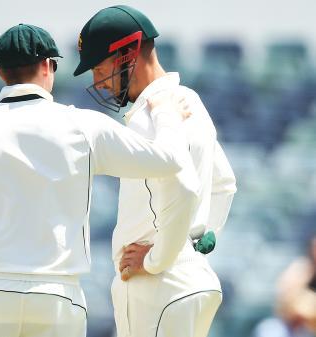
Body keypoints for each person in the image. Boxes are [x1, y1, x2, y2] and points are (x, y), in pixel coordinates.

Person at [0, 23, 200, 337]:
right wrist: (166, 111)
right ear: (48, 66)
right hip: (58, 298)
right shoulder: (82, 126)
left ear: (1, 73)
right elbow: (169, 160)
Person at [73, 5, 237, 337]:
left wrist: (156, 260)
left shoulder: (152, 113)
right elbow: (224, 183)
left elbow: (187, 187)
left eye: (99, 67)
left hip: (158, 286)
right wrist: (201, 235)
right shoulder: (188, 99)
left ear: (129, 52)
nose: (97, 83)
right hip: (194, 281)